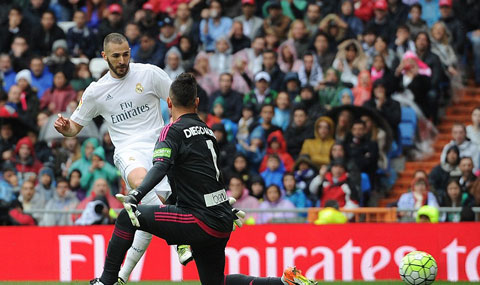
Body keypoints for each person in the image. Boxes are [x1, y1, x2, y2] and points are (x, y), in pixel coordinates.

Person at [90, 73, 316, 285]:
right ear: (196, 102)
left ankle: (106, 281)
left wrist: (136, 195)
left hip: (198, 219)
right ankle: (285, 281)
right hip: (220, 220)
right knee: (215, 282)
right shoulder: (207, 130)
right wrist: (221, 205)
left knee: (127, 217)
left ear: (169, 103)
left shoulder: (171, 132)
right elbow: (203, 176)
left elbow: (160, 167)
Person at [54, 33, 191, 283]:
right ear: (104, 56)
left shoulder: (149, 73)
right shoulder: (96, 91)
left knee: (145, 215)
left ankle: (120, 278)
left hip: (160, 145)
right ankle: (180, 237)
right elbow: (75, 126)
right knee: (141, 183)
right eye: (116, 56)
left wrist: (177, 129)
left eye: (126, 54)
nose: (122, 60)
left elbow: (179, 102)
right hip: (127, 150)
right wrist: (66, 129)